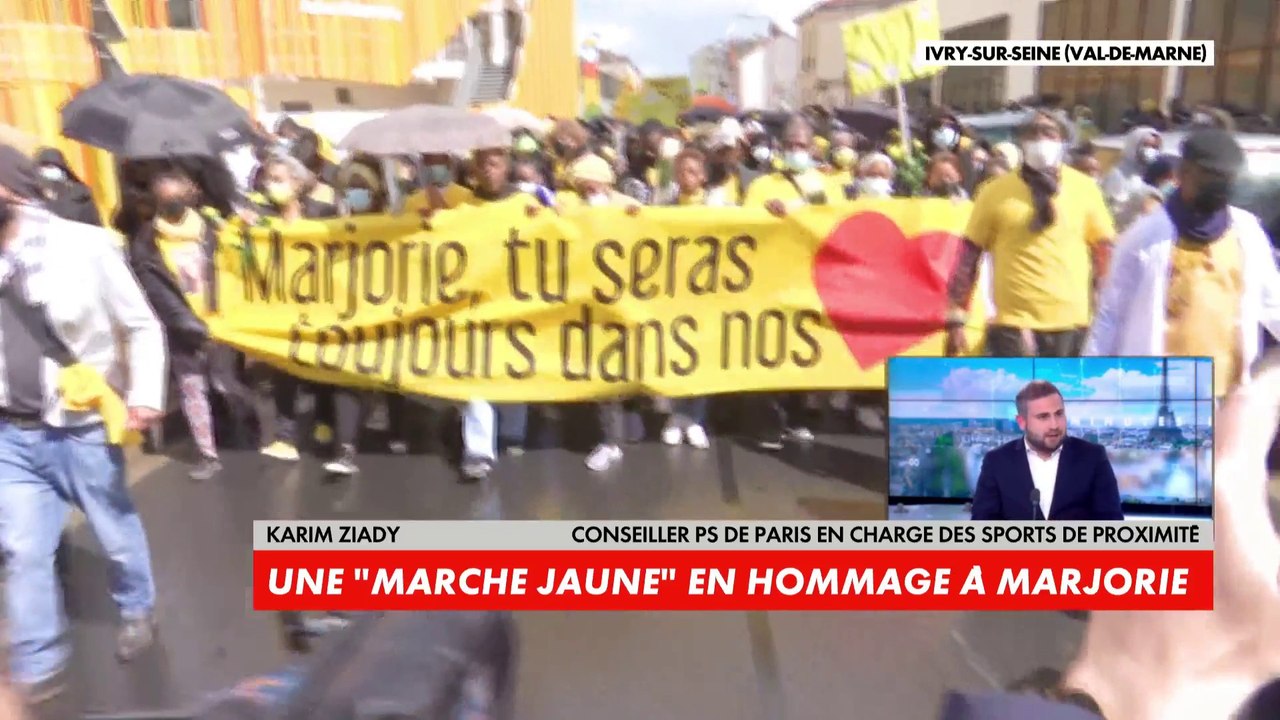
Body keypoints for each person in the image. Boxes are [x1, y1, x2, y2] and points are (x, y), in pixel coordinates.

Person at [0, 143, 166, 700]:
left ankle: (137, 608)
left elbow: (141, 325)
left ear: (12, 192)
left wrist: (143, 394)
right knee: (23, 549)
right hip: (11, 434)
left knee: (115, 533)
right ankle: (38, 661)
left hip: (82, 428)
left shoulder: (84, 245)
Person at [1086, 129, 1280, 401]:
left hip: (1224, 392)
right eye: (1211, 178)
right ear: (1184, 173)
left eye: (1227, 179)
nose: (1219, 186)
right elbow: (1110, 316)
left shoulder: (1246, 231)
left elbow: (1272, 302)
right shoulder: (1145, 237)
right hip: (1161, 390)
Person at [945, 109, 1115, 358]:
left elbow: (1105, 252)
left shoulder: (1085, 189)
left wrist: (1109, 311)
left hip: (1071, 323)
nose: (1040, 139)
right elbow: (968, 256)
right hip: (1014, 324)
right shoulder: (993, 191)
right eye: (1032, 133)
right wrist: (957, 318)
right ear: (1022, 141)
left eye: (1048, 132)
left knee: (1065, 395)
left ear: (1063, 140)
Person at [970, 381, 1123, 521]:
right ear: (1022, 422)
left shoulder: (1093, 457)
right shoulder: (997, 461)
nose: (1054, 425)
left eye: (1059, 413)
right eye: (1043, 417)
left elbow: (1111, 524)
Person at [1101, 126, 1163, 231]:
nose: (1151, 150)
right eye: (1146, 145)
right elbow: (1115, 210)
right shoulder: (1119, 173)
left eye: (1155, 147)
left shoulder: (1153, 173)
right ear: (1134, 145)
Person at [32, 147, 101, 226]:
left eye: (51, 167)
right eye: (42, 168)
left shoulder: (81, 195)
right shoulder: (32, 195)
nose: (46, 172)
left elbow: (94, 226)